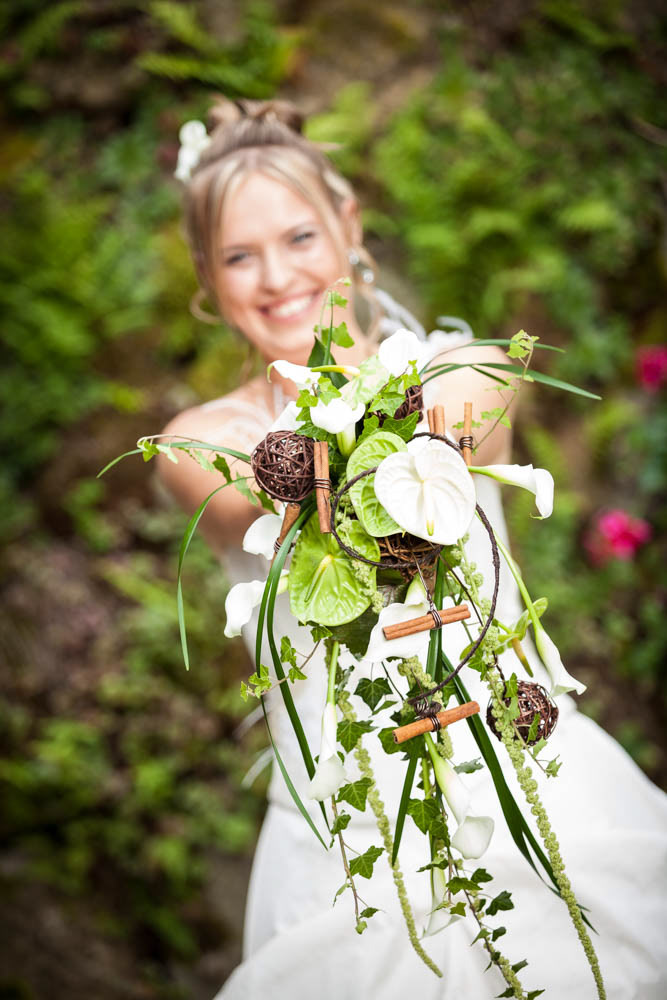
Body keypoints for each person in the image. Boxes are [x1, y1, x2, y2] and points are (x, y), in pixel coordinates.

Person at [158, 98, 667, 1000]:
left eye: (300, 237)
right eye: (239, 255)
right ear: (206, 274)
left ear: (349, 227)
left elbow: (459, 413)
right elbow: (268, 491)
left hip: (533, 777)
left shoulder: (460, 368)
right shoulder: (201, 442)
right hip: (346, 838)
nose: (277, 277)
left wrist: (433, 399)